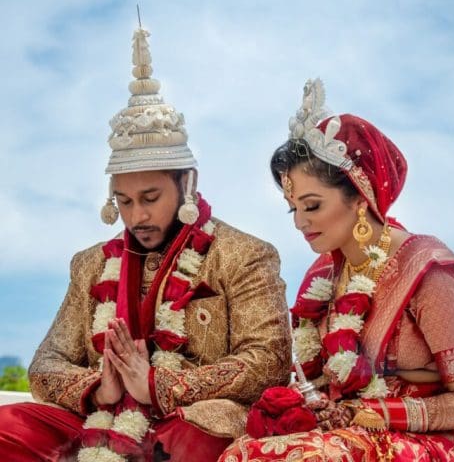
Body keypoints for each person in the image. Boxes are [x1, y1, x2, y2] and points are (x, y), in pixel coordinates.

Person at [0, 25, 291, 462]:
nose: (136, 216)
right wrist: (100, 387)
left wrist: (157, 385)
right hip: (100, 419)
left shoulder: (244, 255)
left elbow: (268, 360)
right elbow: (46, 365)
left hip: (188, 421)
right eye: (124, 201)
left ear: (186, 183)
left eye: (150, 198)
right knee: (9, 427)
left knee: (188, 438)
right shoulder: (91, 265)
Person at [219, 78, 454, 461]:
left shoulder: (432, 273)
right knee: (242, 452)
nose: (299, 223)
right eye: (293, 208)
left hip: (444, 438)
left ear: (361, 197)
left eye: (312, 206)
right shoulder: (325, 274)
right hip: (353, 431)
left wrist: (367, 413)